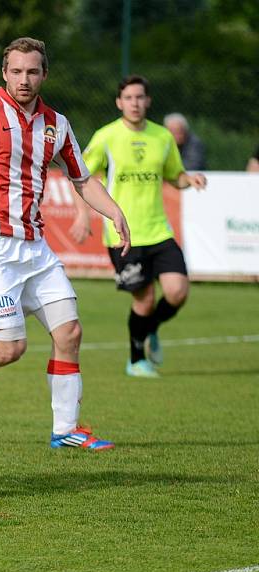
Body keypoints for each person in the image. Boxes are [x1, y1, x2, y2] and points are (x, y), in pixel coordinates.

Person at [0, 37, 130, 449]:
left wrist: (114, 211)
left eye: (32, 71)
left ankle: (66, 429)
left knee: (69, 331)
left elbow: (82, 179)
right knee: (11, 348)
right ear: (4, 73)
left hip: (35, 248)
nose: (24, 79)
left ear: (44, 75)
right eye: (16, 71)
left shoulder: (57, 124)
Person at [76, 75, 207, 378]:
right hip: (123, 235)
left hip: (159, 230)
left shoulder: (162, 137)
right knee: (144, 298)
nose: (134, 103)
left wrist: (191, 179)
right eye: (129, 98)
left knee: (178, 292)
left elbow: (176, 175)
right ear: (119, 102)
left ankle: (152, 329)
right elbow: (80, 176)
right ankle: (136, 360)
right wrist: (83, 215)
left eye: (140, 97)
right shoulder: (106, 136)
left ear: (148, 101)